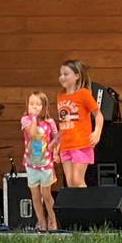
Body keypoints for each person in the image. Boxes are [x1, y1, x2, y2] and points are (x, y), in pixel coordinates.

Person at [56, 59, 103, 188]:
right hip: (66, 145)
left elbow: (98, 115)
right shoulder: (60, 96)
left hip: (81, 143)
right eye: (61, 74)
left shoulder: (83, 94)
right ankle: (76, 207)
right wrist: (55, 143)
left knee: (77, 180)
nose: (62, 77)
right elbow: (64, 124)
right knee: (70, 182)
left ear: (77, 76)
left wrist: (97, 132)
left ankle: (86, 207)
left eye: (66, 74)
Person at [22, 91, 59, 231]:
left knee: (46, 194)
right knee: (35, 195)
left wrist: (55, 151)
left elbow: (56, 138)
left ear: (44, 106)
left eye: (38, 104)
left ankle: (52, 220)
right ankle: (41, 221)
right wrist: (33, 119)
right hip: (31, 164)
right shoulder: (25, 120)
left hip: (46, 164)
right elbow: (31, 134)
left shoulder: (50, 123)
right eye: (32, 104)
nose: (35, 107)